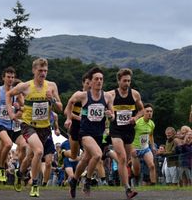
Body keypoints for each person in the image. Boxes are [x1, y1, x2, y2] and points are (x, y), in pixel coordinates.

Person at [7, 58, 63, 197]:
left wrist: (53, 100)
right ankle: (35, 184)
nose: (43, 73)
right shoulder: (25, 86)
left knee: (31, 155)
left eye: (45, 71)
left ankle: (19, 173)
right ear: (34, 71)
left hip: (44, 127)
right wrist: (10, 112)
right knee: (39, 151)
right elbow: (9, 94)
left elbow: (60, 108)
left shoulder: (51, 86)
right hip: (28, 126)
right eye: (40, 70)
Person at [64, 67, 116, 199]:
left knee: (86, 158)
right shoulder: (82, 95)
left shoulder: (108, 97)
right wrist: (69, 118)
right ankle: (87, 181)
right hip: (85, 132)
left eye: (101, 79)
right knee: (98, 155)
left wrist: (110, 115)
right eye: (96, 79)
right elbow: (70, 102)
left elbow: (113, 116)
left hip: (99, 133)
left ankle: (74, 180)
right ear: (91, 82)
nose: (99, 81)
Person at [0, 67, 26, 187]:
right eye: (8, 77)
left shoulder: (16, 92)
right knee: (8, 144)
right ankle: (2, 168)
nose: (10, 79)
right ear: (3, 78)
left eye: (12, 77)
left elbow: (24, 107)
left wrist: (18, 107)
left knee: (22, 146)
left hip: (12, 125)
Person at [107, 68, 143, 197]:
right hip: (116, 130)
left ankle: (128, 179)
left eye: (129, 81)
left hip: (129, 130)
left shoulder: (135, 94)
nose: (127, 83)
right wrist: (109, 114)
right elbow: (101, 106)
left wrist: (136, 118)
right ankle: (128, 189)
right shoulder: (110, 95)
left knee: (126, 159)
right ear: (118, 81)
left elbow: (142, 110)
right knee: (121, 157)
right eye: (124, 81)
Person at [131, 103, 156, 185]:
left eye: (151, 111)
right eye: (147, 111)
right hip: (136, 149)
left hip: (145, 148)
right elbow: (129, 135)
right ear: (143, 112)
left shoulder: (152, 124)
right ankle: (133, 173)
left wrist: (152, 146)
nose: (149, 113)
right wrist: (132, 148)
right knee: (137, 172)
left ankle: (153, 185)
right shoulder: (137, 122)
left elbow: (151, 135)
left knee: (152, 166)